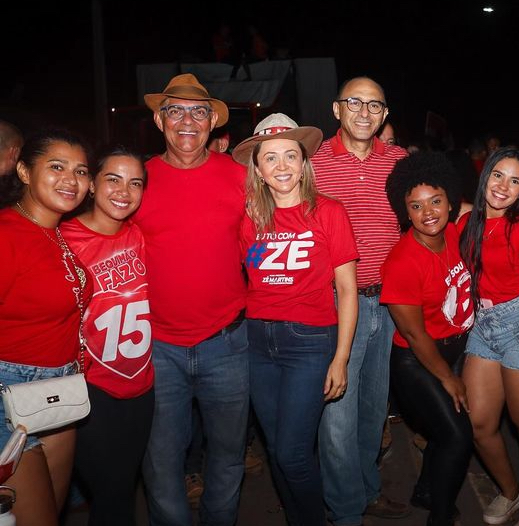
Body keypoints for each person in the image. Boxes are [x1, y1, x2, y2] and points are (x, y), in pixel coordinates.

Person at [231, 113, 358, 525]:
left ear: (304, 164)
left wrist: (340, 359)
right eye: (271, 158)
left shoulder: (329, 212)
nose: (282, 165)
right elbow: (247, 272)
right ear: (259, 169)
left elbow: (348, 291)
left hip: (309, 342)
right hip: (256, 342)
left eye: (291, 156)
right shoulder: (250, 217)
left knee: (293, 453)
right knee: (276, 448)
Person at [136, 73, 250, 526]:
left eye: (198, 111)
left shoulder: (239, 177)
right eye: (176, 110)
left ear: (211, 124)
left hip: (228, 343)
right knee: (161, 462)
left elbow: (259, 242)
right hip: (157, 348)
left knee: (227, 456)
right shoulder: (137, 179)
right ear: (160, 121)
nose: (188, 120)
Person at [313, 76, 410, 524]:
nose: (365, 112)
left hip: (389, 304)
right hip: (335, 304)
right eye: (355, 102)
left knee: (373, 409)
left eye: (375, 105)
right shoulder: (313, 164)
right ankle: (345, 510)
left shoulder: (400, 161)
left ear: (385, 115)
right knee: (337, 415)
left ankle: (367, 488)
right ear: (337, 110)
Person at [459, 147, 519, 526]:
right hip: (484, 324)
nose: (503, 186)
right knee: (479, 424)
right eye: (498, 175)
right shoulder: (468, 220)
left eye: (514, 181)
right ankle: (510, 491)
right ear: (486, 176)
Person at [0, 129, 91, 525]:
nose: (71, 179)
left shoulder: (54, 232)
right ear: (23, 170)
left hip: (58, 392)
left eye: (81, 170)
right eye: (56, 167)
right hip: (8, 398)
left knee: (52, 512)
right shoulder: (7, 234)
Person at [61, 146, 155, 526]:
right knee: (113, 492)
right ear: (91, 184)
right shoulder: (63, 239)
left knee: (121, 489)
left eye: (135, 183)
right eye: (112, 179)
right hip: (90, 389)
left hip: (142, 384)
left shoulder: (140, 236)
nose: (123, 191)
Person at [381, 151, 474, 526]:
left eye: (436, 201)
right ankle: (439, 516)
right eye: (416, 206)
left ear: (450, 201)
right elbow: (414, 335)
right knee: (457, 436)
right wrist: (448, 378)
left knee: (441, 430)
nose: (428, 212)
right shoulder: (402, 262)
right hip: (418, 362)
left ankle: (423, 490)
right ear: (405, 212)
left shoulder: (453, 231)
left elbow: (482, 206)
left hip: (455, 350)